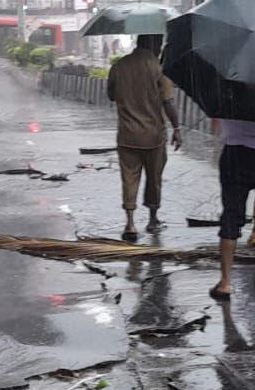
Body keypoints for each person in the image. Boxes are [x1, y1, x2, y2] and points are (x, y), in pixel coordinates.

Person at [107, 34, 181, 241]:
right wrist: (177, 128)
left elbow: (111, 95)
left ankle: (130, 222)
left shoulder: (119, 66)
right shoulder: (159, 69)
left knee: (129, 178)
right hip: (154, 135)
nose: (159, 48)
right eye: (158, 44)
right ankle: (152, 218)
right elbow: (168, 102)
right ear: (153, 44)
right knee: (154, 179)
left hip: (127, 135)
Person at [209, 119, 255, 301]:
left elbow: (217, 119)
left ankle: (225, 282)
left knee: (231, 215)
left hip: (235, 153)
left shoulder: (231, 91)